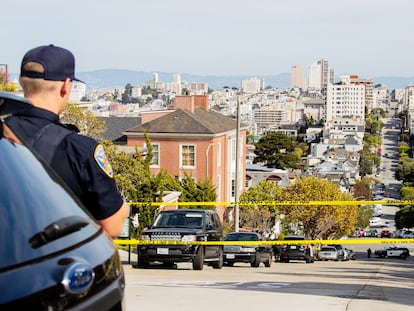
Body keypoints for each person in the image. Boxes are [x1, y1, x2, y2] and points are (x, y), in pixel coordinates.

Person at [4, 44, 129, 238]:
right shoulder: (78, 150)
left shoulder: (4, 132)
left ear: (21, 81)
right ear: (66, 86)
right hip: (47, 261)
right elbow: (112, 226)